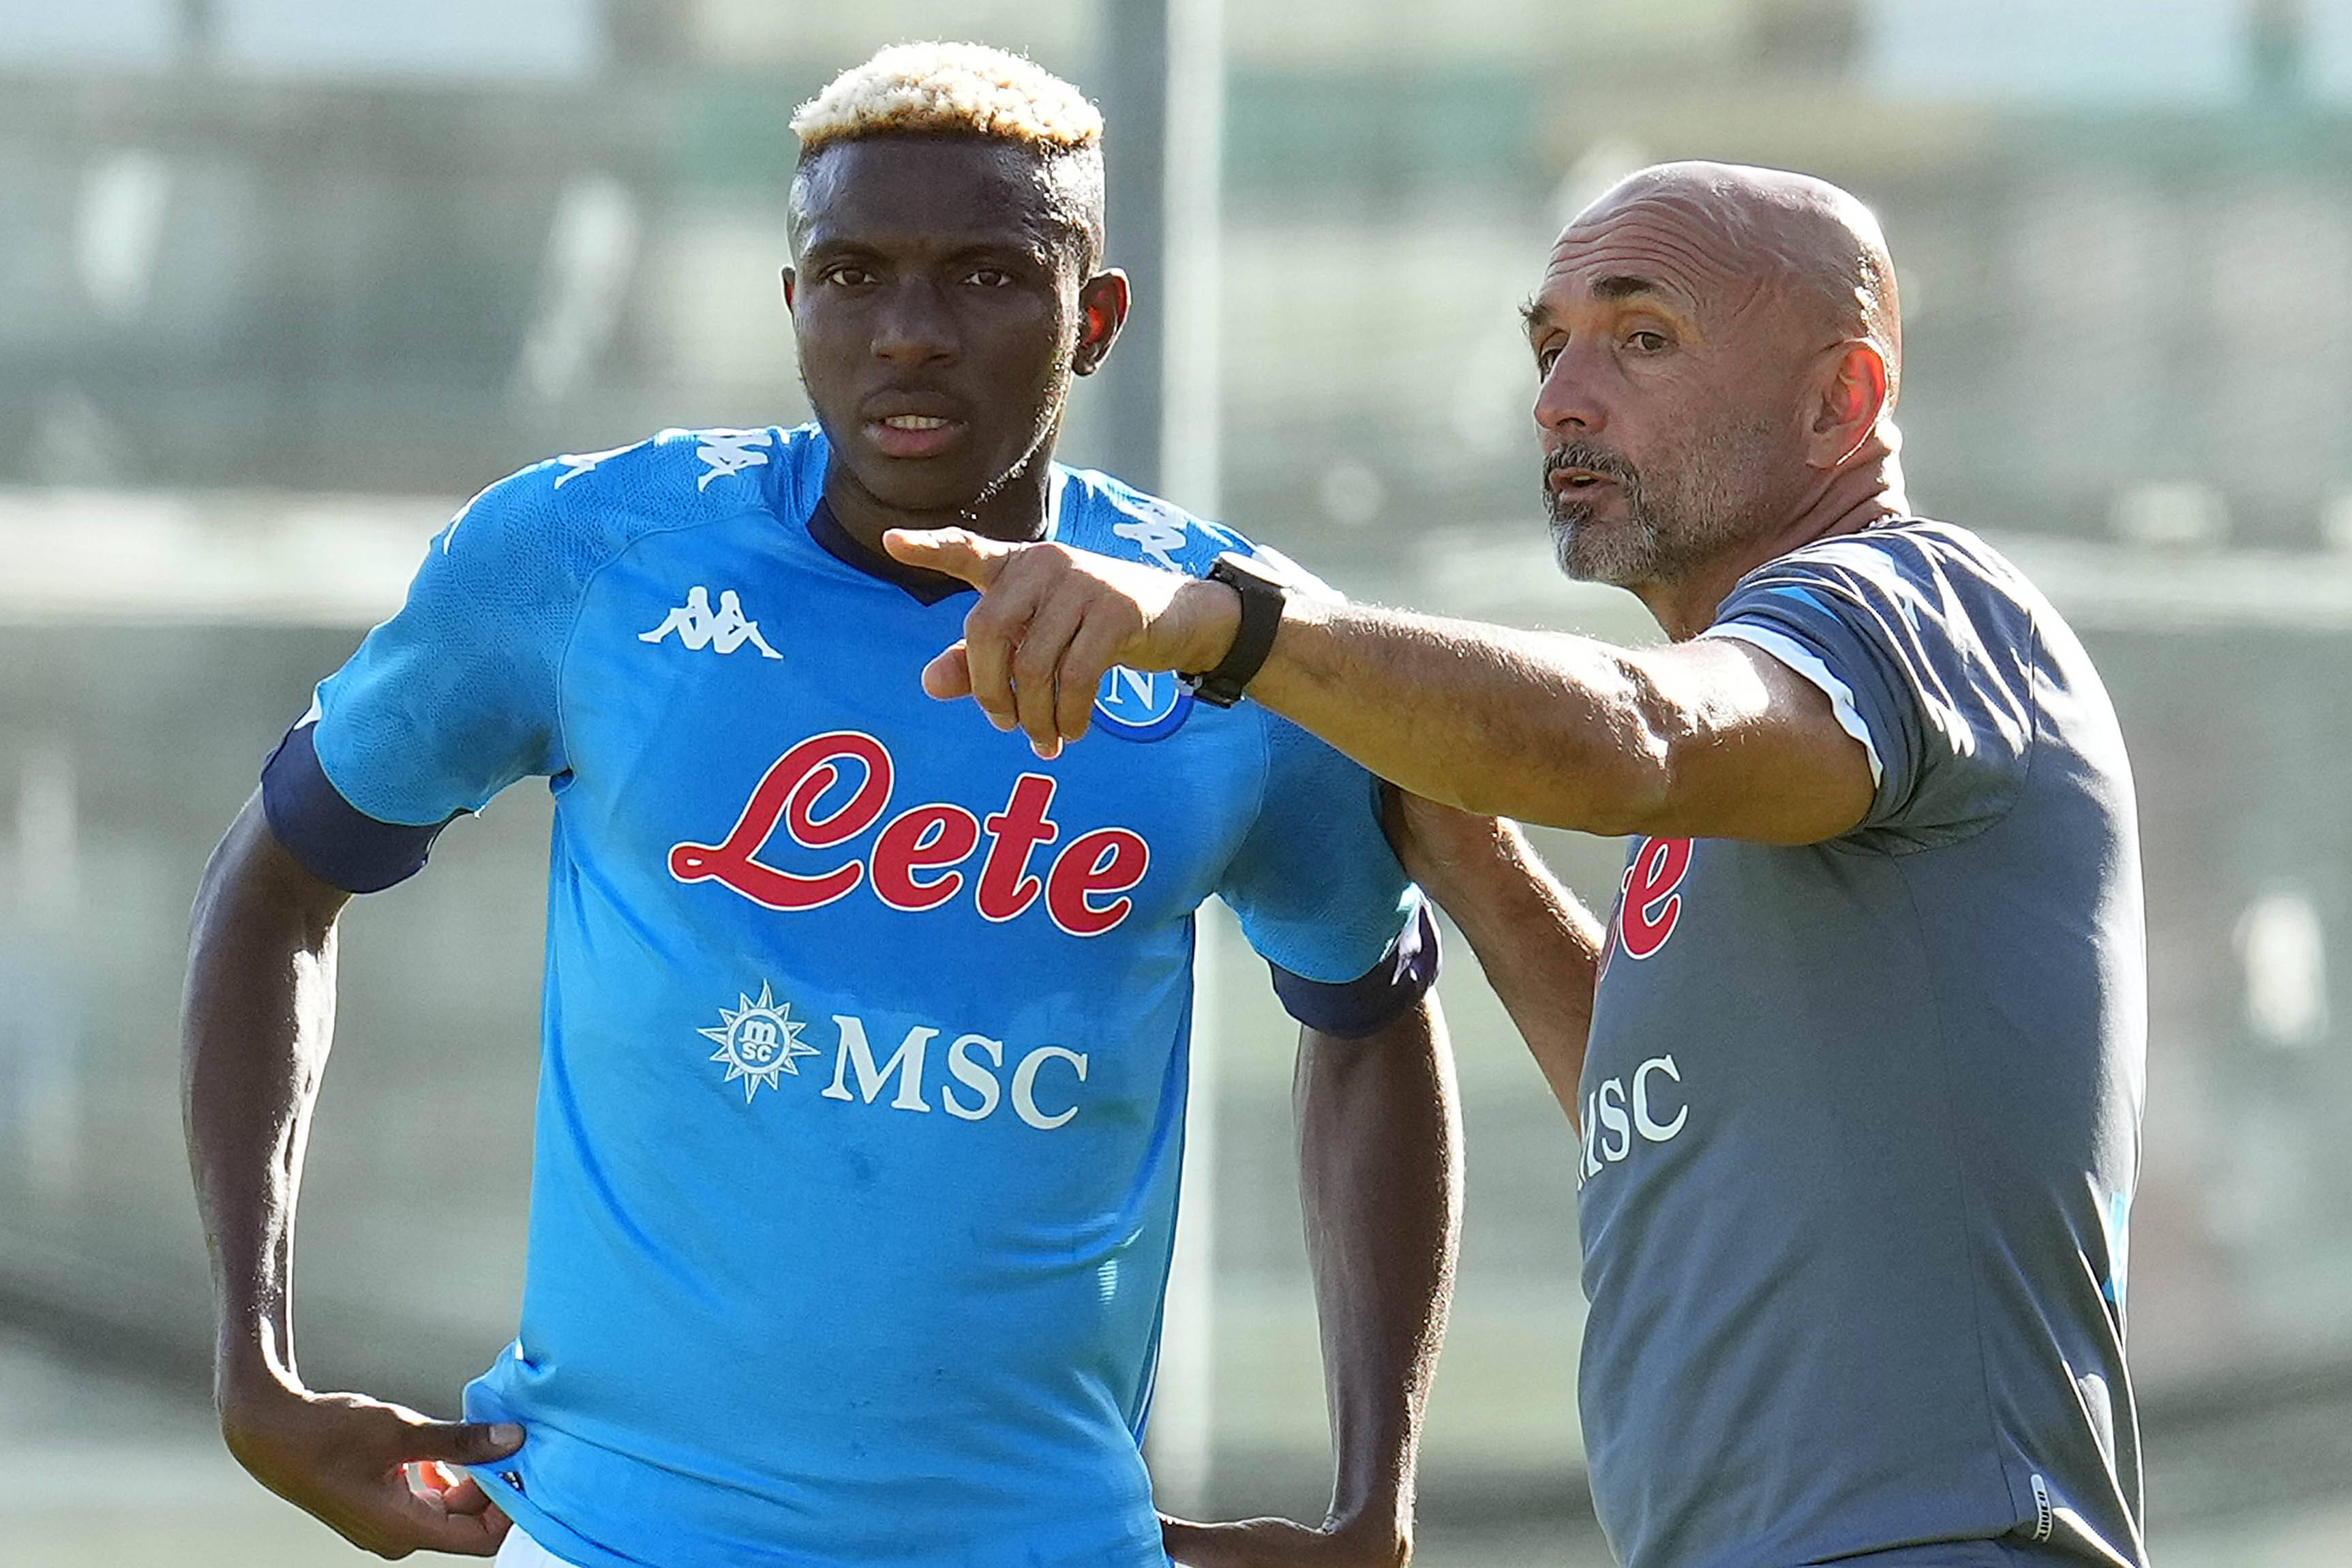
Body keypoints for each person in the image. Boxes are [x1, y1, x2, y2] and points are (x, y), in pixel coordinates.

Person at [181, 44, 1460, 1568]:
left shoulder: (1231, 645)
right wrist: (252, 1358)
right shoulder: (595, 556)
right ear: (793, 304)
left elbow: (1374, 1017)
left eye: (985, 277)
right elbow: (275, 883)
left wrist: (1375, 1499)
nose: (907, 335)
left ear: (1096, 317)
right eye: (853, 275)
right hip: (604, 1538)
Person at [890, 161, 2147, 1568]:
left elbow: (1634, 737)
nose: (1560, 396)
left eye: (1642, 337)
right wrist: (1467, 850)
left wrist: (1220, 625)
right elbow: (1662, 1103)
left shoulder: (1908, 607)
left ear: (1839, 402)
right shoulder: (1775, 753)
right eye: (1549, 345)